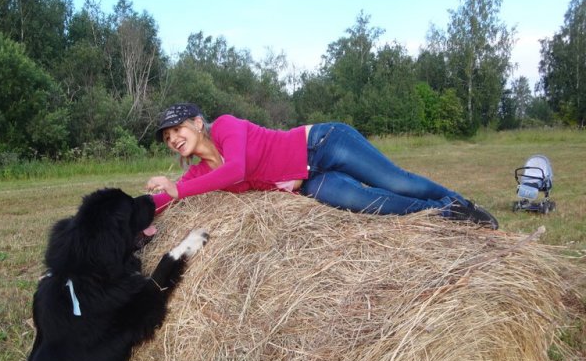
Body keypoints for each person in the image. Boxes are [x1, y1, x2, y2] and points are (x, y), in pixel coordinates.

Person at [145, 103, 498, 229]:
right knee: (375, 205)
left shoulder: (225, 126)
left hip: (323, 146)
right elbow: (168, 199)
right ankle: (446, 217)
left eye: (177, 129)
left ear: (197, 123)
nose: (174, 139)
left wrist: (180, 187)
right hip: (310, 184)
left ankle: (460, 204)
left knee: (397, 182)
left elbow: (236, 170)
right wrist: (136, 209)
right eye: (167, 137)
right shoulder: (200, 173)